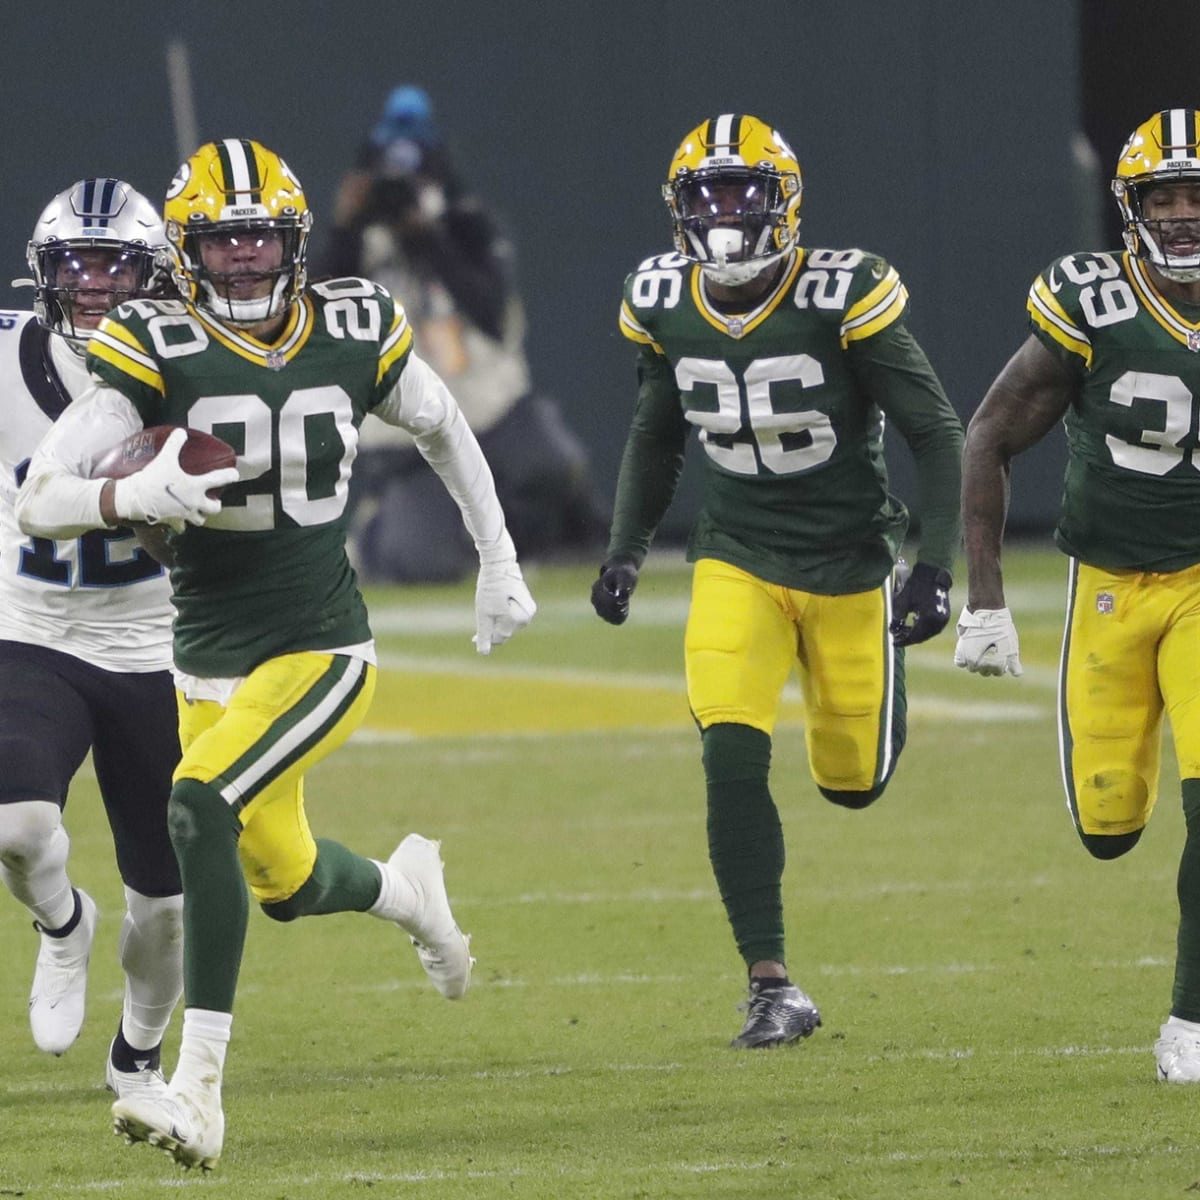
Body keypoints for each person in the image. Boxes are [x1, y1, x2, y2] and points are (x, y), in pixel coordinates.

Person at [17, 138, 536, 1170]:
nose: (246, 263)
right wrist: (128, 495)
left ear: (292, 243)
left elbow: (441, 426)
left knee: (198, 801)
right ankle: (407, 893)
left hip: (319, 645)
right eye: (223, 243)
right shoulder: (150, 340)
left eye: (261, 241)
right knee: (284, 881)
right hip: (202, 657)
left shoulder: (352, 322)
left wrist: (499, 556)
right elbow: (42, 495)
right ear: (185, 252)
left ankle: (198, 1094)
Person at [591, 114, 963, 1048]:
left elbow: (938, 431)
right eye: (705, 195)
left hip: (850, 564)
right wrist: (627, 547)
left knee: (853, 781)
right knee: (729, 751)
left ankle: (858, 717)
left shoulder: (844, 292)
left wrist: (938, 566)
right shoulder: (663, 297)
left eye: (742, 192)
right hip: (736, 555)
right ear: (678, 209)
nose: (722, 214)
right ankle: (771, 984)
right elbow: (654, 431)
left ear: (783, 200)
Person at [956, 107, 1200, 1084]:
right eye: (1164, 199)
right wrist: (984, 600)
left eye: (1197, 197)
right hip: (1107, 585)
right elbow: (989, 434)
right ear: (1130, 209)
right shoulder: (1091, 303)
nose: (1182, 217)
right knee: (1110, 826)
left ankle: (1189, 1019)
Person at [0, 178, 184, 1098]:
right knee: (20, 827)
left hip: (159, 650)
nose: (96, 284)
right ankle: (62, 925)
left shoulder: (199, 360)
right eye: (76, 264)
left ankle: (140, 1057)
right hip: (32, 631)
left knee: (167, 905)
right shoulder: (5, 357)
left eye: (116, 265)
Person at [317, 84, 608, 581]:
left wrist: (428, 237)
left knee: (556, 468)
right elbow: (317, 314)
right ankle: (374, 535)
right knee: (423, 560)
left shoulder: (467, 225)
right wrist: (347, 226)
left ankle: (512, 539)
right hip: (413, 440)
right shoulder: (354, 244)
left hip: (492, 420)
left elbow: (491, 313)